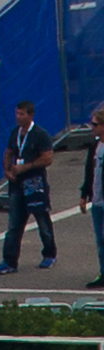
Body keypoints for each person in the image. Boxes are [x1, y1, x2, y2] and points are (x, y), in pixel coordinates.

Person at [0, 101, 57, 274]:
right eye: (17, 113)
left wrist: (26, 167)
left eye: (22, 114)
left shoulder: (40, 134)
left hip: (35, 183)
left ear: (30, 115)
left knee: (42, 221)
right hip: (17, 184)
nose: (18, 117)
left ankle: (49, 254)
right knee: (14, 224)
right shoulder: (15, 132)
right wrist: (7, 169)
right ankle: (9, 261)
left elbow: (48, 158)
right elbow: (9, 152)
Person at [80, 108, 104, 288]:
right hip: (97, 200)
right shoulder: (95, 145)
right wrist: (84, 194)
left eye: (95, 124)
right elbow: (90, 172)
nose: (92, 127)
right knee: (100, 240)